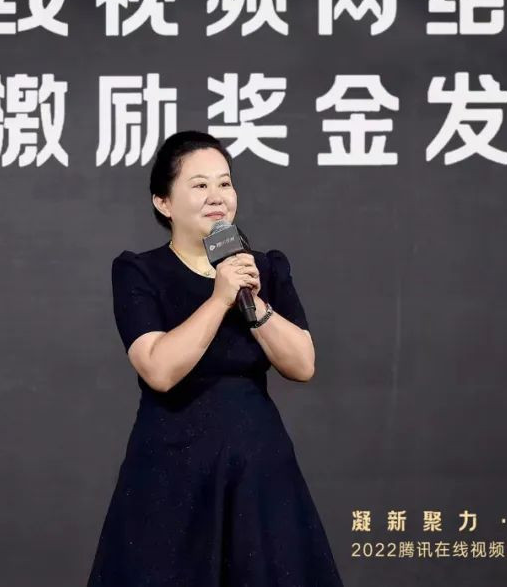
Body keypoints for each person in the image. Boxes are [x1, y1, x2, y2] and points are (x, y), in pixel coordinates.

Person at [86, 131, 344, 586]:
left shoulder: (263, 268)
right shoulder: (139, 271)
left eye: (225, 183)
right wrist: (219, 297)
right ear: (164, 202)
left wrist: (252, 301)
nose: (217, 196)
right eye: (200, 185)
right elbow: (159, 369)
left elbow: (302, 364)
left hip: (257, 469)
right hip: (173, 470)